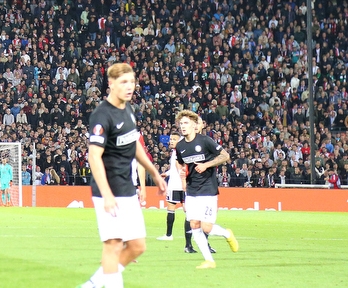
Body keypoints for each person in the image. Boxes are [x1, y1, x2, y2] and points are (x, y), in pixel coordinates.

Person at [78, 63, 165, 288]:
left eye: (132, 82)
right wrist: (106, 195)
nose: (129, 87)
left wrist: (154, 172)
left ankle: (94, 284)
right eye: (123, 82)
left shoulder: (128, 109)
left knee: (137, 246)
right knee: (113, 244)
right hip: (108, 190)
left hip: (127, 189)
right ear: (111, 84)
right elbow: (94, 157)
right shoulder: (101, 115)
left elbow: (134, 144)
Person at [174, 110, 239, 269]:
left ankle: (227, 234)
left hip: (208, 189)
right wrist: (182, 174)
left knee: (206, 227)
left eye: (186, 123)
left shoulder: (205, 141)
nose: (183, 126)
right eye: (181, 123)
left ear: (194, 125)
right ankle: (209, 260)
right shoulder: (180, 146)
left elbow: (225, 156)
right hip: (192, 190)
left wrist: (206, 165)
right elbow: (181, 163)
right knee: (194, 225)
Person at [156, 133, 188, 246]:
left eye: (174, 139)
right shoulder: (176, 152)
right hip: (179, 185)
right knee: (183, 210)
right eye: (170, 139)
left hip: (178, 185)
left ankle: (169, 235)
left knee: (178, 209)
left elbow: (182, 168)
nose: (171, 141)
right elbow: (175, 169)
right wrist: (167, 173)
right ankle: (173, 236)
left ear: (180, 141)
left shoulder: (180, 152)